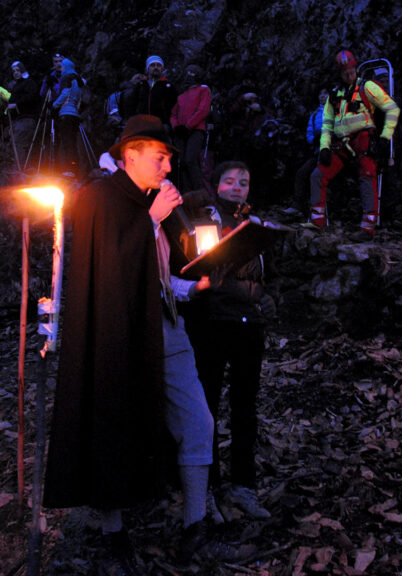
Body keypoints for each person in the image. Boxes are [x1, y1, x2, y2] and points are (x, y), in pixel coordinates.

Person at [44, 115, 249, 572]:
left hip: (165, 328)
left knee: (197, 420)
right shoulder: (98, 198)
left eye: (170, 158)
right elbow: (108, 272)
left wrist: (189, 287)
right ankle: (114, 534)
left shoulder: (151, 203)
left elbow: (152, 277)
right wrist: (149, 218)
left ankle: (195, 527)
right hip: (117, 335)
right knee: (111, 422)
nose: (167, 167)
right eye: (159, 157)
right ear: (129, 155)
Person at [182, 160, 277, 521]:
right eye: (230, 180)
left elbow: (271, 274)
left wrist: (269, 299)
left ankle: (243, 487)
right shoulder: (205, 219)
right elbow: (209, 271)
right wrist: (252, 294)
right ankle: (206, 489)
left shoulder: (254, 225)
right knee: (206, 409)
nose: (238, 186)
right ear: (216, 184)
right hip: (213, 324)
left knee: (244, 408)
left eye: (244, 181)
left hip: (249, 327)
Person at [310, 50, 400, 234]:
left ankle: (368, 226)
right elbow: (327, 124)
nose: (349, 74)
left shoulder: (367, 87)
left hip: (363, 140)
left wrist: (385, 137)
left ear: (356, 69)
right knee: (317, 175)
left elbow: (392, 109)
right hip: (341, 144)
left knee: (367, 172)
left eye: (351, 70)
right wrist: (324, 148)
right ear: (339, 73)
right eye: (345, 72)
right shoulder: (334, 96)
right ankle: (317, 222)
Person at [170, 65, 212, 190]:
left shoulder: (203, 90)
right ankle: (188, 194)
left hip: (196, 130)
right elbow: (173, 114)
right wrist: (176, 127)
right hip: (181, 132)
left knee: (190, 160)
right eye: (188, 73)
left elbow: (203, 110)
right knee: (181, 162)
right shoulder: (181, 95)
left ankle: (200, 192)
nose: (189, 75)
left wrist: (188, 126)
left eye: (193, 73)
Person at [294, 88, 329, 207]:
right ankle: (299, 207)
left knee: (318, 176)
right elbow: (309, 132)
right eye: (320, 94)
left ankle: (319, 209)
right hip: (317, 151)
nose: (322, 96)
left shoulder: (337, 111)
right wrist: (313, 139)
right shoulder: (315, 114)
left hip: (331, 152)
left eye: (325, 93)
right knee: (301, 173)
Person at [121, 55, 177, 127]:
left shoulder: (169, 87)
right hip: (141, 124)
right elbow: (131, 104)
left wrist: (168, 124)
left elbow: (174, 108)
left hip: (160, 125)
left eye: (158, 65)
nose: (156, 67)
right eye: (152, 65)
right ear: (147, 68)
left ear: (162, 68)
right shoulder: (141, 85)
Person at [52, 57, 85, 177]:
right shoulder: (79, 79)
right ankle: (75, 168)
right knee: (73, 142)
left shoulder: (67, 77)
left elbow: (65, 93)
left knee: (66, 142)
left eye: (62, 66)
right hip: (74, 114)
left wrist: (55, 105)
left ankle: (68, 170)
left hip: (65, 112)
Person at [6, 60, 40, 167]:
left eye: (18, 70)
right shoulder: (16, 85)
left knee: (18, 142)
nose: (16, 73)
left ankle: (19, 168)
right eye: (13, 71)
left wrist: (16, 104)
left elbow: (31, 97)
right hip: (18, 119)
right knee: (14, 142)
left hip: (27, 118)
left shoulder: (29, 83)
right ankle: (19, 167)